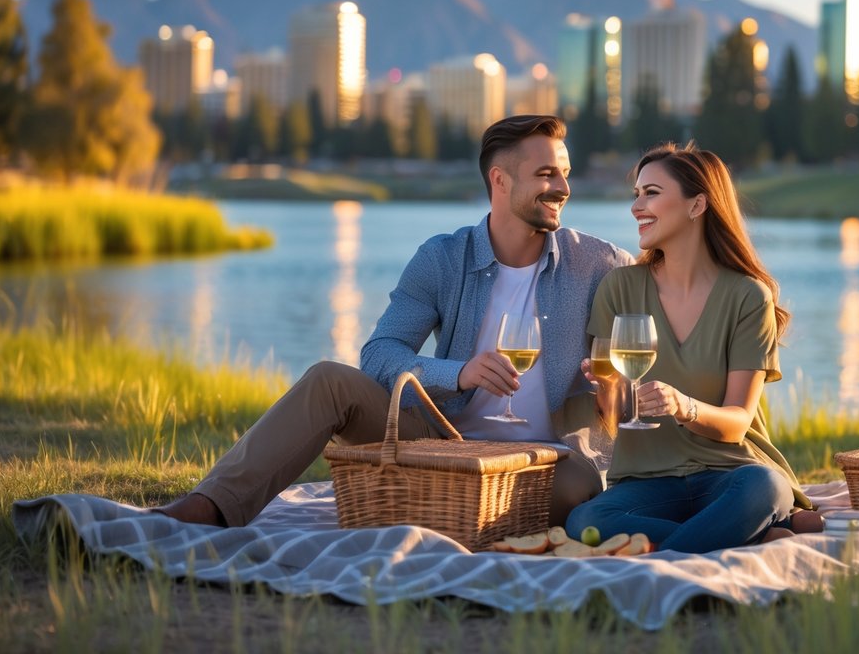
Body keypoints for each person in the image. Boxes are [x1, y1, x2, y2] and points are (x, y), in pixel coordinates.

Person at [158, 115, 632, 529]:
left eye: (565, 174)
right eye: (546, 173)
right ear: (500, 181)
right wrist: (459, 373)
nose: (564, 188)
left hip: (548, 458)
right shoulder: (441, 258)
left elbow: (646, 345)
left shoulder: (598, 263)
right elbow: (380, 355)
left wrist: (614, 390)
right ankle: (209, 507)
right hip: (441, 442)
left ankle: (442, 509)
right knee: (328, 381)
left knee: (576, 492)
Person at [565, 143, 820, 553]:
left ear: (697, 205)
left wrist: (684, 406)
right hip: (647, 482)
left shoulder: (746, 296)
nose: (636, 207)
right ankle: (747, 534)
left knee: (765, 486)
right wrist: (607, 387)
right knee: (586, 519)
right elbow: (613, 418)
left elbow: (738, 421)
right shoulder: (621, 287)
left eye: (651, 193)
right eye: (636, 194)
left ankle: (702, 540)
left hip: (729, 473)